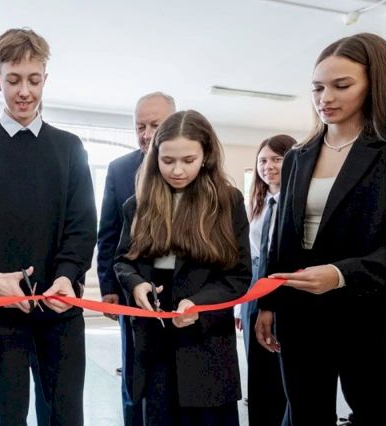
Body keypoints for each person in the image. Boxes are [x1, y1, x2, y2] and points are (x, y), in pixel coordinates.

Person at [0, 28, 97, 425]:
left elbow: (82, 227)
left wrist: (66, 275)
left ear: (46, 79)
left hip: (62, 309)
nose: (24, 91)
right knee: (10, 415)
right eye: (13, 80)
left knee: (66, 416)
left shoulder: (70, 148)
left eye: (33, 80)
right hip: (1, 313)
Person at [255, 33, 386, 426]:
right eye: (317, 87)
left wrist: (341, 274)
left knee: (374, 409)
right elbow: (281, 238)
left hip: (364, 308)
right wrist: (268, 301)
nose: (325, 98)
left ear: (374, 84)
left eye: (341, 86)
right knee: (305, 411)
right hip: (299, 309)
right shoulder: (298, 156)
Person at [114, 110, 251, 425]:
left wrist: (198, 304)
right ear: (155, 158)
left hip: (206, 343)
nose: (177, 171)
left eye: (188, 160)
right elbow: (123, 260)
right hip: (154, 344)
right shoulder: (137, 205)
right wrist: (136, 284)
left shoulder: (227, 202)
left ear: (206, 156)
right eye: (167, 161)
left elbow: (238, 275)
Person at [97, 91, 175, 426]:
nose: (146, 134)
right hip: (133, 290)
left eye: (155, 125)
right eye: (140, 127)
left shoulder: (194, 168)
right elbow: (108, 233)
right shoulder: (119, 169)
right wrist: (108, 287)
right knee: (134, 372)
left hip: (182, 290)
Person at [239, 135, 295, 426]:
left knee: (282, 370)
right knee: (257, 369)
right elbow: (248, 256)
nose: (268, 166)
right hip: (253, 290)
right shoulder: (257, 204)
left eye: (276, 159)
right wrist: (240, 307)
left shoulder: (296, 202)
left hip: (285, 290)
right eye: (263, 160)